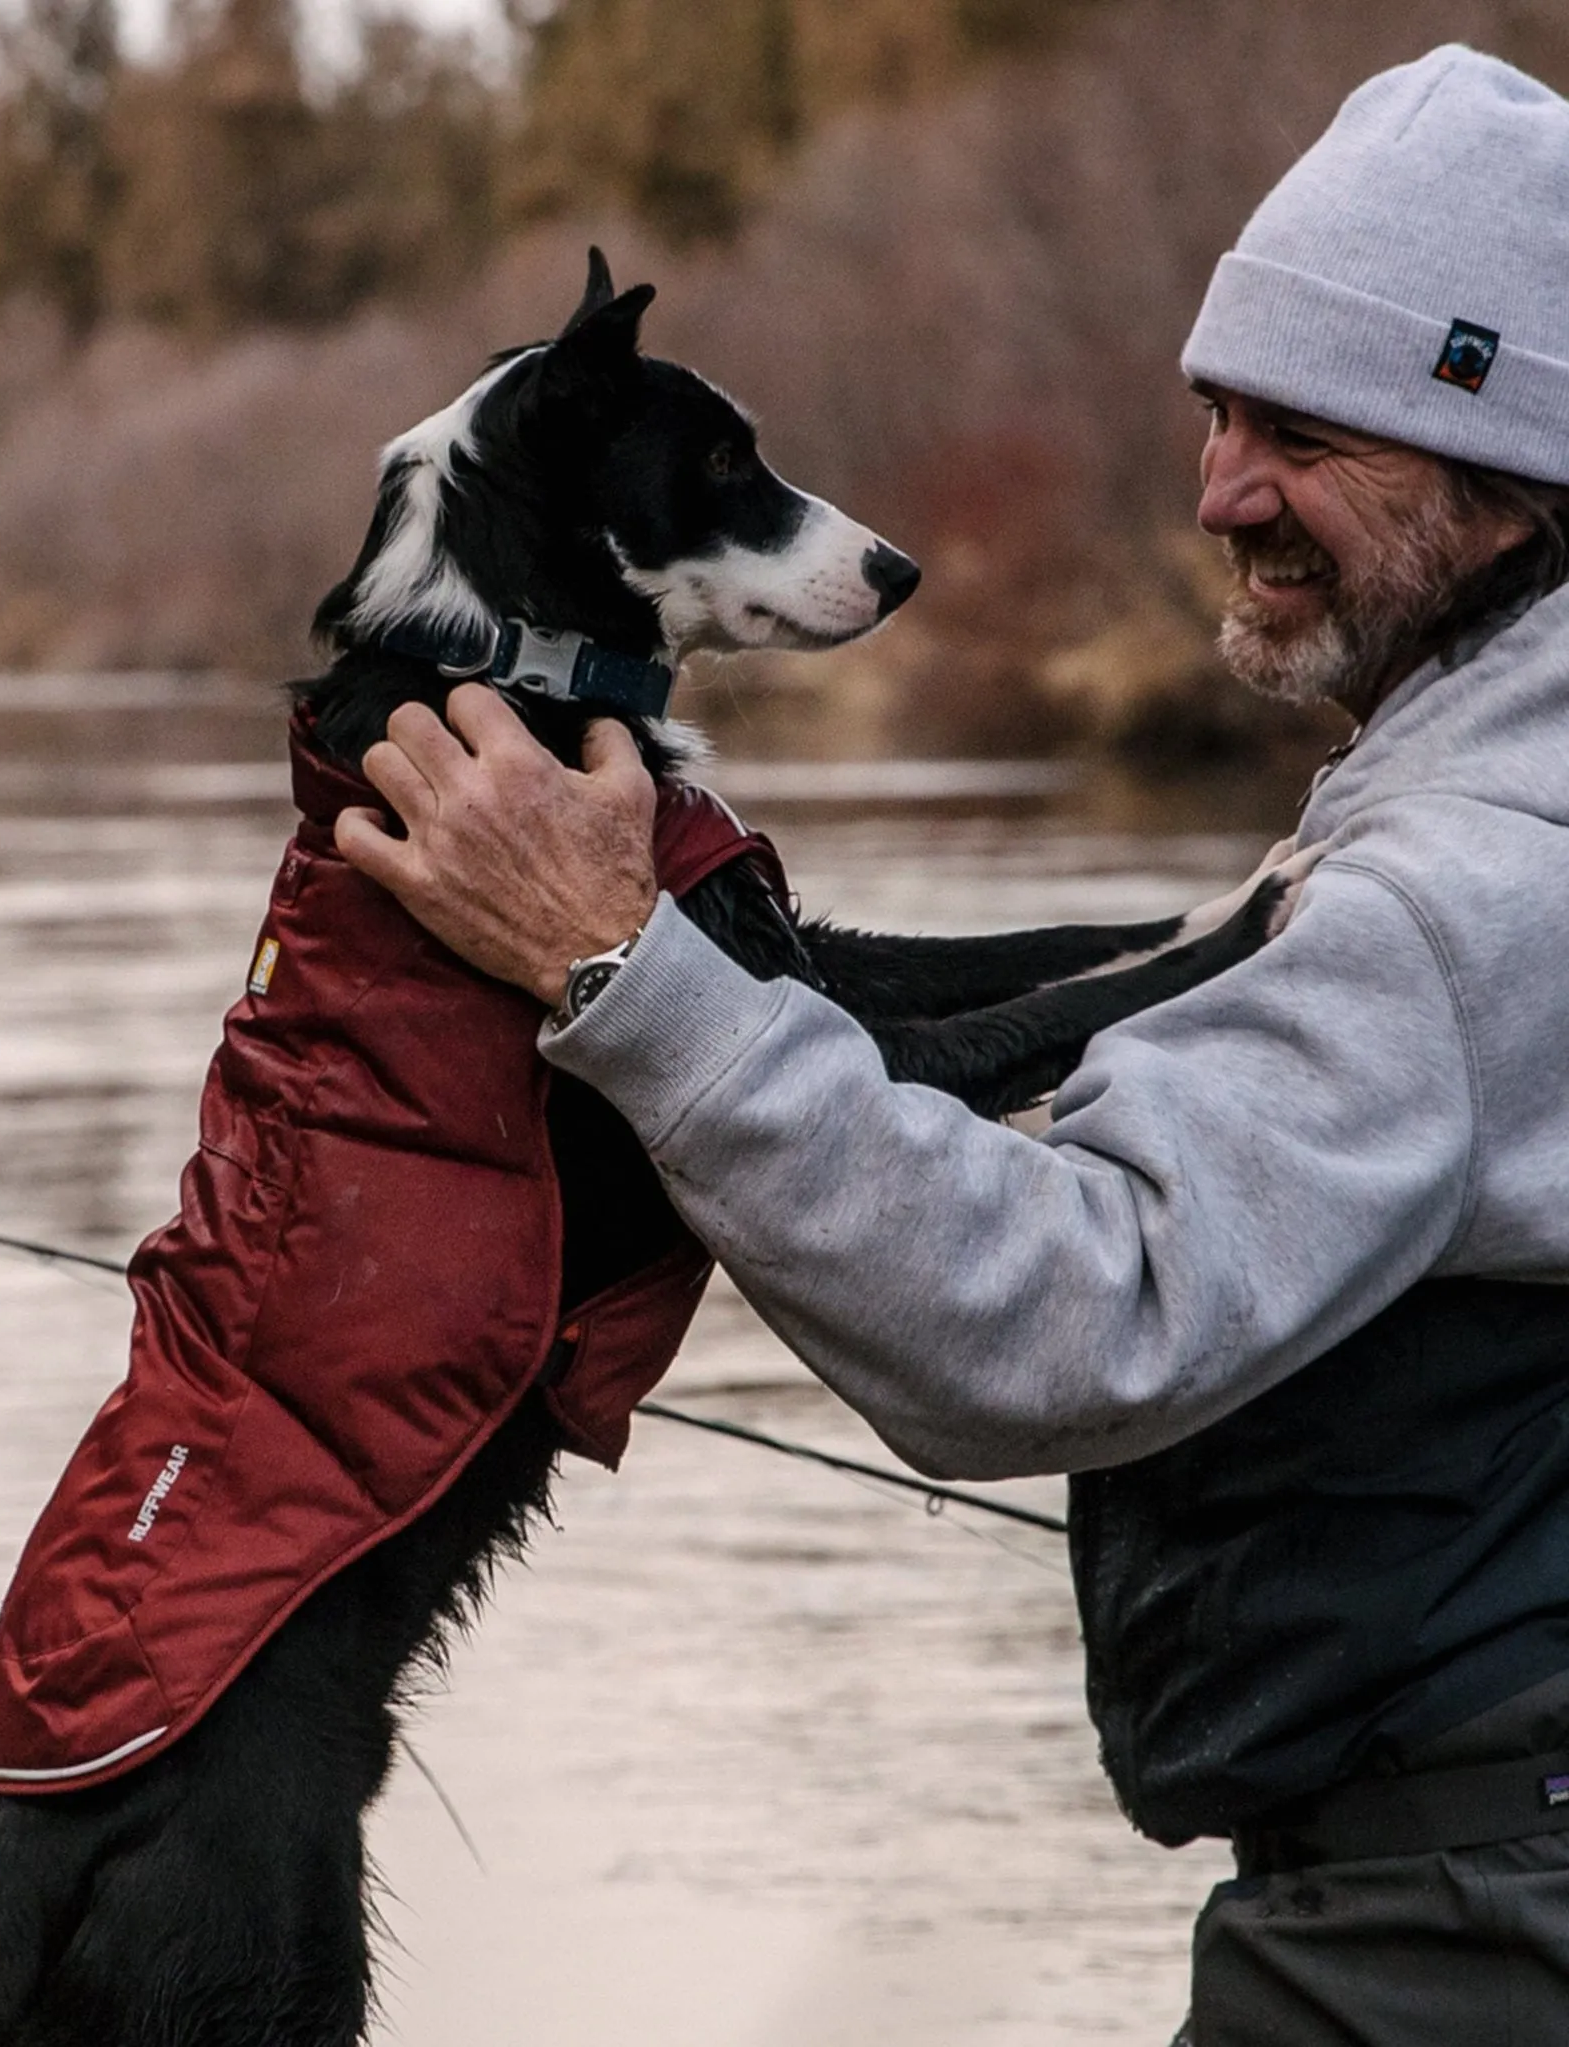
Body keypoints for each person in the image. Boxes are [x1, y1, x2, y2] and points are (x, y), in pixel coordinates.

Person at [333, 43, 1569, 2047]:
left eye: (1306, 433)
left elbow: (1067, 1312)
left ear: (1514, 484)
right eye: (1216, 409)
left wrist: (618, 976)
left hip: (1459, 1925)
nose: (1218, 490)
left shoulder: (1451, 899)